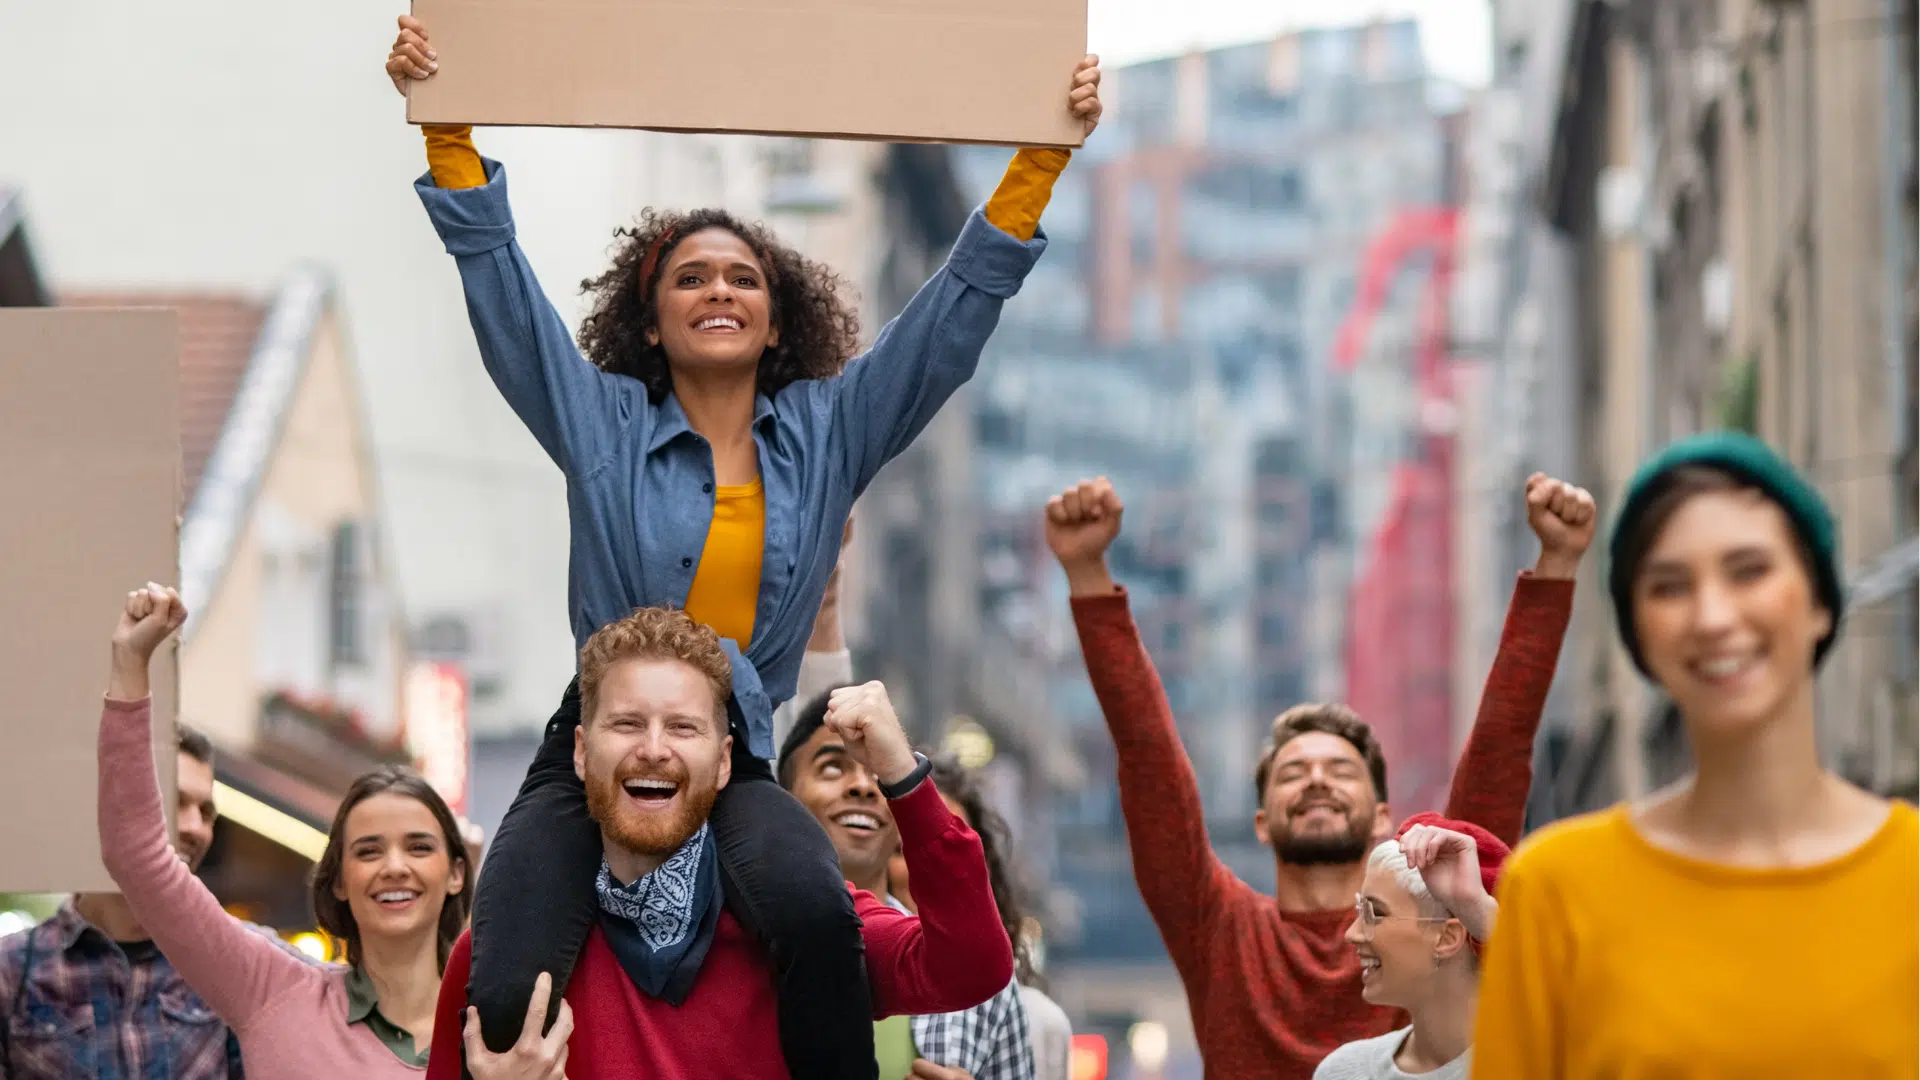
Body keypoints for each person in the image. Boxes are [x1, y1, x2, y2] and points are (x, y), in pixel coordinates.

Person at [385, 18, 1103, 1077]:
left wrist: (1041, 157)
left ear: (776, 323)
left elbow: (952, 317)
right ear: (652, 314)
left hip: (746, 756)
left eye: (743, 279)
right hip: (597, 740)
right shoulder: (601, 424)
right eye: (690, 277)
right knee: (502, 974)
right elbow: (501, 288)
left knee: (818, 923)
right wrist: (445, 123)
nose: (718, 290)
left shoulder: (831, 430)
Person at [1042, 472, 1594, 1080]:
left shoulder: (1437, 911)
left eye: (1340, 769)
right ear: (1261, 823)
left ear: (1385, 815)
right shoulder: (1219, 931)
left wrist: (1556, 564)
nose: (1316, 781)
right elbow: (1148, 759)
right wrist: (1087, 575)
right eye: (1293, 773)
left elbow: (1501, 746)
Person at [1470, 432, 1919, 1079]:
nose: (1712, 616)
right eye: (1670, 586)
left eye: (1750, 571)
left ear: (1821, 601)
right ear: (1639, 633)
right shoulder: (1554, 894)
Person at [424, 606, 1015, 1080]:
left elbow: (974, 968)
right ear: (580, 751)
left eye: (683, 727)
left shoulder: (808, 927)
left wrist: (901, 774)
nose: (654, 748)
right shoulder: (501, 955)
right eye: (627, 723)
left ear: (726, 761)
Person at [95, 583, 474, 1079]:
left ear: (455, 873)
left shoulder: (498, 1034)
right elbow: (138, 858)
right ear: (338, 879)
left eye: (419, 847)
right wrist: (129, 663)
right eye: (368, 851)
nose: (394, 867)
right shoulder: (271, 989)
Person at [0, 723, 279, 1079]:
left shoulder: (244, 959)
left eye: (206, 812)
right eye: (176, 802)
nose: (196, 827)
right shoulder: (12, 972)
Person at [779, 696, 1034, 1080]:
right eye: (832, 767)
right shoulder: (744, 944)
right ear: (782, 801)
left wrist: (903, 771)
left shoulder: (979, 981)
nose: (863, 788)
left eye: (878, 774)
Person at [889, 757, 1075, 1080]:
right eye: (902, 848)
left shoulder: (1037, 1022)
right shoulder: (849, 980)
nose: (930, 868)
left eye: (952, 851)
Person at [1314, 817, 1507, 1080]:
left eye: (1374, 913)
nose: (1352, 933)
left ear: (1448, 937)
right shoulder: (1343, 1072)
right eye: (1360, 911)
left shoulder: (1539, 1067)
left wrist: (1484, 919)